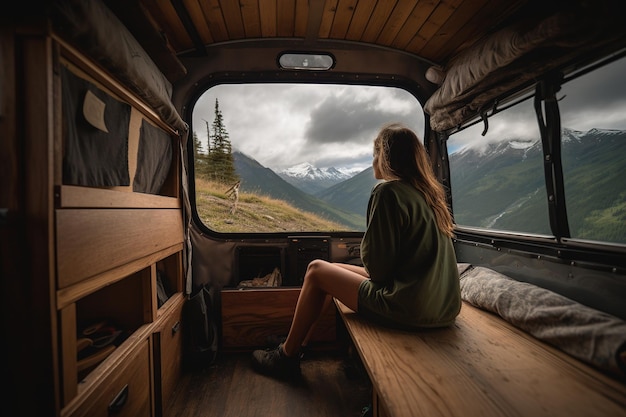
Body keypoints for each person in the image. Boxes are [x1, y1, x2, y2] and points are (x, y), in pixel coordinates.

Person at [251, 122, 461, 380]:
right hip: (442, 308)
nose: (373, 160)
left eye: (375, 153)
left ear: (385, 157)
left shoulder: (388, 192)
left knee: (316, 270)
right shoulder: (428, 195)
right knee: (332, 270)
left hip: (410, 308)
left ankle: (286, 358)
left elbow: (378, 270)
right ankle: (297, 342)